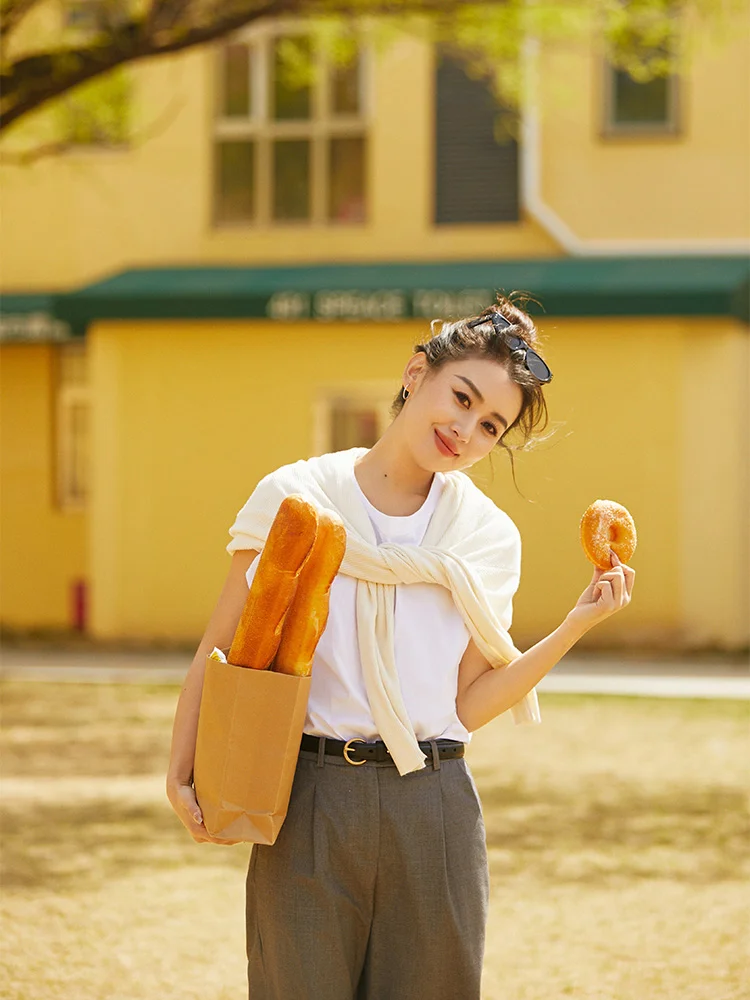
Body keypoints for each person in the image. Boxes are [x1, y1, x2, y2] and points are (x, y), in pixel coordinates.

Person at [166, 294, 635, 1000]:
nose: (465, 430)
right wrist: (182, 769)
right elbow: (222, 645)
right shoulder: (296, 497)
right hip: (308, 795)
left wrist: (574, 625)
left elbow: (468, 703)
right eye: (462, 397)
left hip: (434, 803)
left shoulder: (485, 537)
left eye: (490, 425)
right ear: (418, 373)